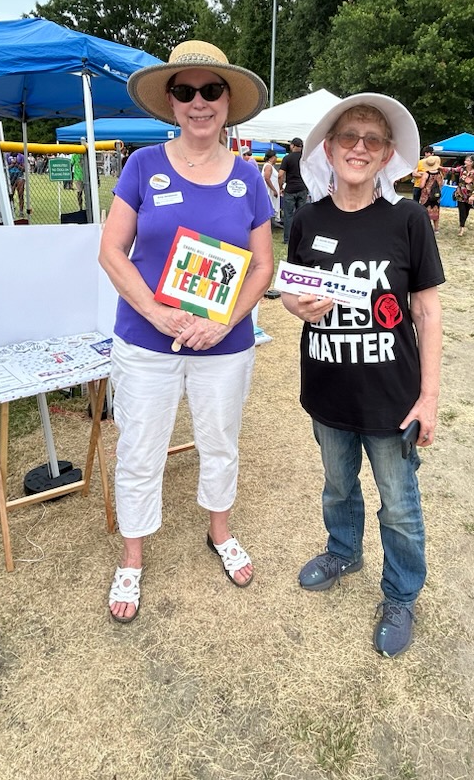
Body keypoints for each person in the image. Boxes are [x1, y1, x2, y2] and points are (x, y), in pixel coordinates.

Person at [99, 40, 274, 624]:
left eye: (211, 90)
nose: (199, 102)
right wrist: (157, 313)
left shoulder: (250, 176)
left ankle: (219, 532)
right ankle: (132, 556)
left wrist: (223, 320)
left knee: (219, 440)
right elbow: (112, 251)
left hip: (224, 346)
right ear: (170, 101)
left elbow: (263, 264)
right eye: (185, 91)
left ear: (228, 100)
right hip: (146, 340)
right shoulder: (142, 165)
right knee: (140, 448)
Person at [281, 93, 444, 659]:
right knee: (338, 486)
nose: (358, 147)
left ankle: (400, 594)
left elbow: (426, 311)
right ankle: (343, 550)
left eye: (371, 140)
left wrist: (429, 397)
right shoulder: (307, 218)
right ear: (327, 149)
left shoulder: (408, 219)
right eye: (348, 137)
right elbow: (292, 290)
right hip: (328, 390)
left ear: (387, 154)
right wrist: (292, 306)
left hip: (392, 398)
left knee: (399, 505)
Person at [279, 138, 308, 244]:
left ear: (292, 146)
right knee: (302, 215)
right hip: (302, 188)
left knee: (288, 215)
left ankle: (287, 239)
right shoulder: (305, 158)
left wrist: (280, 186)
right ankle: (301, 238)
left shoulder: (287, 158)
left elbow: (280, 174)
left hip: (290, 189)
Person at [452, 156, 474, 236]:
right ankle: (461, 228)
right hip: (460, 194)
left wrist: (473, 196)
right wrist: (440, 167)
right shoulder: (462, 169)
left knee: (466, 211)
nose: (465, 161)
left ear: (472, 162)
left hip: (469, 195)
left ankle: (463, 224)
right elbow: (453, 170)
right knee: (461, 211)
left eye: (467, 160)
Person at [417, 155, 444, 231]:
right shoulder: (440, 173)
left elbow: (421, 185)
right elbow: (441, 184)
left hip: (426, 196)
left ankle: (426, 227)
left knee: (425, 211)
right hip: (436, 195)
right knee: (436, 210)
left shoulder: (426, 174)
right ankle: (436, 228)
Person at [261, 150, 282, 229]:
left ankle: (270, 225)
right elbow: (267, 178)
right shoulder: (268, 166)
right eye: (276, 157)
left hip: (271, 190)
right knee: (269, 207)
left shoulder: (269, 166)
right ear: (272, 157)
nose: (276, 158)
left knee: (270, 207)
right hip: (269, 191)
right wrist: (274, 190)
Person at [7, 153, 27, 218]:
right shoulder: (6, 155)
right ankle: (12, 209)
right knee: (10, 194)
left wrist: (17, 164)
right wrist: (12, 164)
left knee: (20, 194)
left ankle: (21, 211)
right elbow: (5, 168)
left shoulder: (21, 156)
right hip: (10, 176)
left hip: (19, 176)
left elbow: (24, 169)